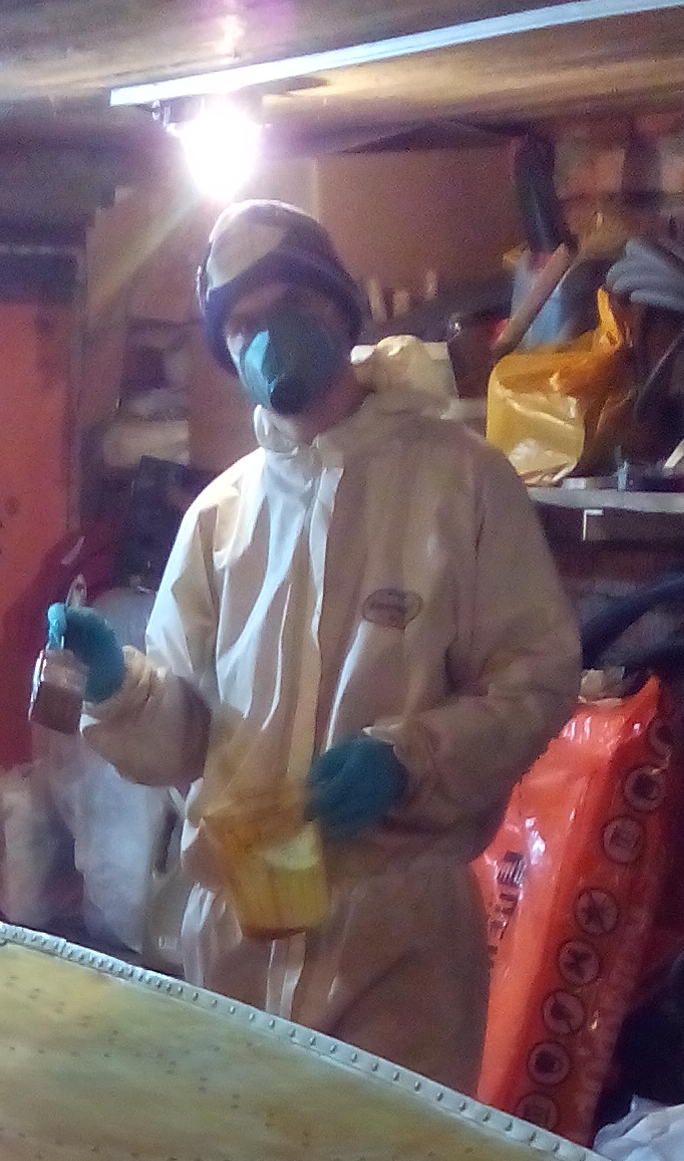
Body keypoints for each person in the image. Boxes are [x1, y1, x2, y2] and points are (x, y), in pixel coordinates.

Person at [53, 199, 581, 1092]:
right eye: (243, 325)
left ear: (339, 309)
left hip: (398, 948)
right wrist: (122, 688)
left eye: (288, 306)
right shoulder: (221, 518)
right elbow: (186, 741)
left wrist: (409, 759)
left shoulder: (459, 483)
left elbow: (535, 678)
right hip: (239, 937)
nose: (268, 339)